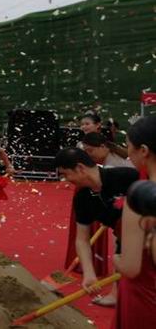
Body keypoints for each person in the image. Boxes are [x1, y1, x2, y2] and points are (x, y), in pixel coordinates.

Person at [55, 147, 140, 305]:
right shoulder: (82, 199)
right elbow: (82, 239)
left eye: (65, 174)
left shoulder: (127, 176)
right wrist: (89, 273)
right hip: (125, 241)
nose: (66, 180)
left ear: (80, 168)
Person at [112, 115, 156, 328]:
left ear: (144, 150)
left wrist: (116, 259)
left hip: (145, 295)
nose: (128, 153)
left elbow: (131, 267)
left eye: (129, 146)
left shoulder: (141, 196)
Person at [64, 112, 111, 282]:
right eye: (82, 124)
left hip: (99, 185)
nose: (84, 126)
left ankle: (95, 265)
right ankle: (78, 261)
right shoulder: (79, 144)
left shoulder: (105, 144)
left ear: (98, 125)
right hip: (81, 186)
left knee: (97, 222)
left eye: (87, 123)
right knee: (81, 224)